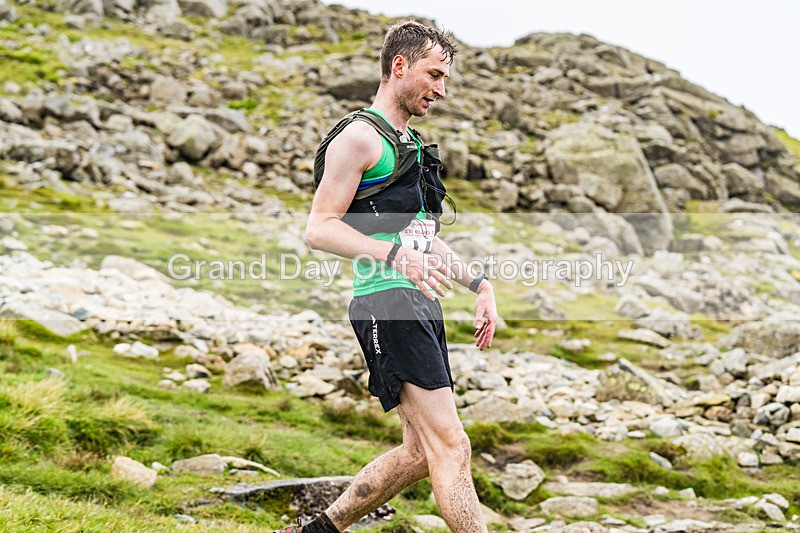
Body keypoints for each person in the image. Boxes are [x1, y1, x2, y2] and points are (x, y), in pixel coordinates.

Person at [275, 19, 497, 533]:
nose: (441, 90)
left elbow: (421, 235)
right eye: (434, 74)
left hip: (419, 301)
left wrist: (478, 285)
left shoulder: (410, 144)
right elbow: (320, 228)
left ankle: (316, 531)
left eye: (445, 78)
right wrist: (393, 254)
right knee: (452, 446)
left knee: (420, 452)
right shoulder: (358, 137)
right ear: (399, 67)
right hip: (386, 303)